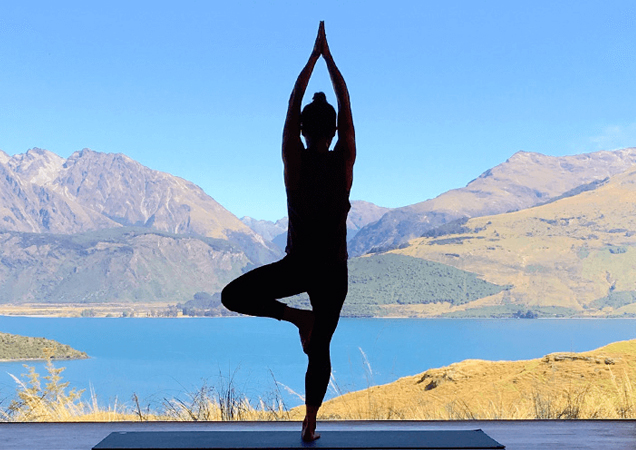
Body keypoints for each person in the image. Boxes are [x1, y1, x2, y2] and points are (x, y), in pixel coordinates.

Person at [221, 22, 355, 441]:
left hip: (298, 266)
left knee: (232, 296)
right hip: (332, 271)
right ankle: (310, 422)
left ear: (300, 130)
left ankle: (297, 318)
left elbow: (293, 102)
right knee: (321, 347)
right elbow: (345, 102)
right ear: (334, 132)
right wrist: (329, 61)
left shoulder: (293, 164)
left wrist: (311, 60)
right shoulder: (344, 163)